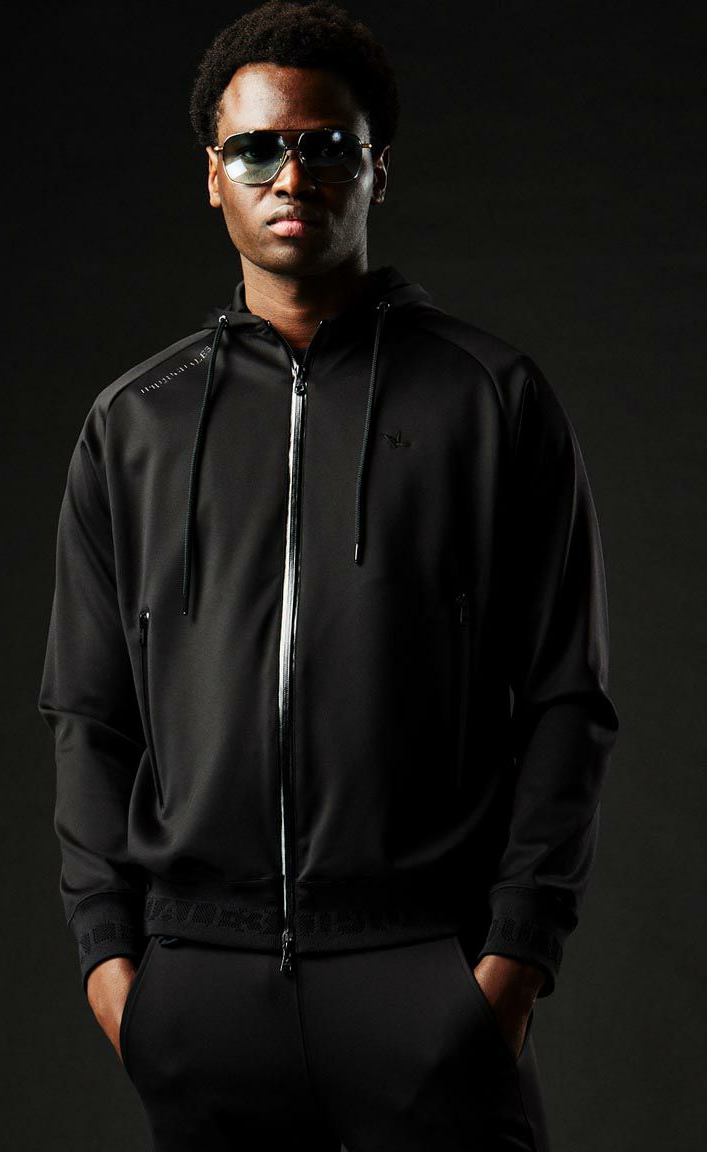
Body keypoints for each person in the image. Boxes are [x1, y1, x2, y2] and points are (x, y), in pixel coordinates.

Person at [37, 2, 620, 1149]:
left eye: (327, 146)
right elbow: (87, 717)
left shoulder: (491, 401)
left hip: (422, 971)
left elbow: (568, 698)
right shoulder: (135, 424)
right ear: (214, 176)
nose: (291, 176)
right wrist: (115, 969)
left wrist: (511, 962)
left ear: (377, 170)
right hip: (200, 984)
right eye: (258, 148)